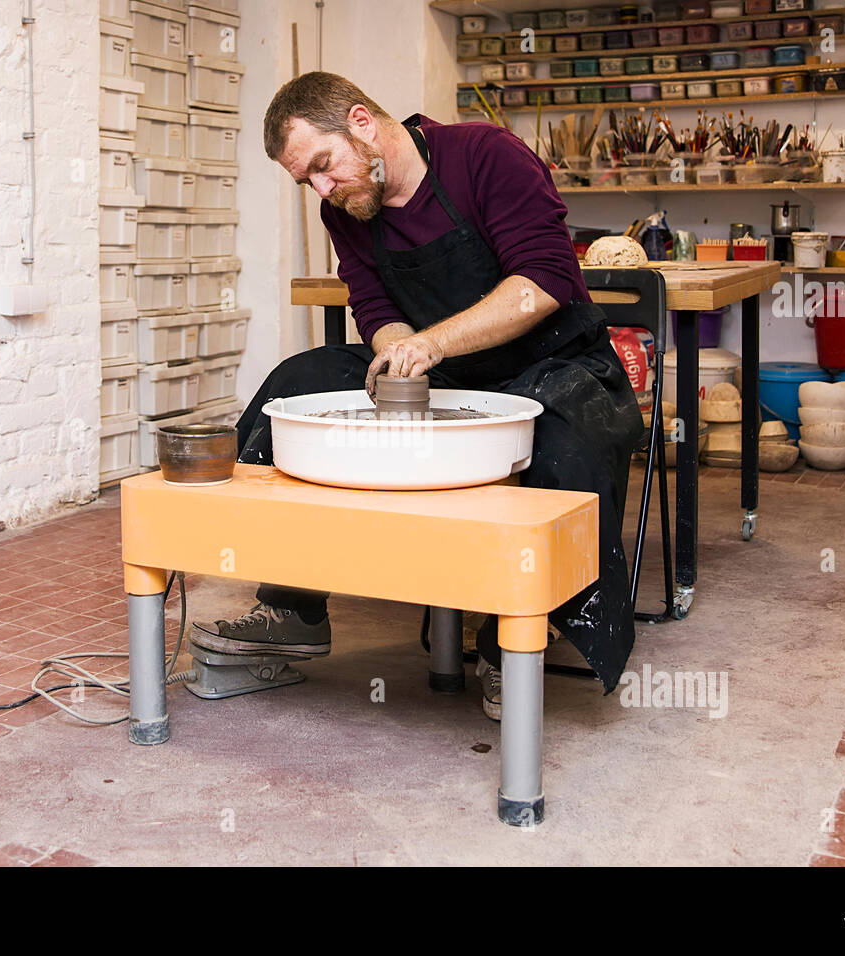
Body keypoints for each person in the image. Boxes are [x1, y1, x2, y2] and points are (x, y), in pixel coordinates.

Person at [189, 72, 644, 721]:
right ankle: (293, 607)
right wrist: (400, 354)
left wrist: (429, 345)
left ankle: (508, 643)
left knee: (562, 433)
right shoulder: (346, 210)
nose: (322, 190)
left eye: (323, 166)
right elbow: (376, 308)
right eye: (307, 181)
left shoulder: (485, 156)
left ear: (363, 124)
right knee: (297, 385)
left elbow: (540, 282)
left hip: (554, 360)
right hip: (453, 374)